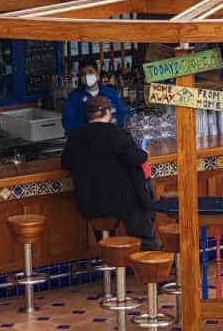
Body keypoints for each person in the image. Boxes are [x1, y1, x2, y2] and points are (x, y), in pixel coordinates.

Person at [62, 96, 157, 250]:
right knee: (142, 231)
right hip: (123, 201)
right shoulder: (117, 133)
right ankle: (147, 261)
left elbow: (65, 162)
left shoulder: (75, 137)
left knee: (107, 239)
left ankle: (110, 259)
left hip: (91, 203)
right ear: (108, 112)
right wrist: (145, 153)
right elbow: (135, 158)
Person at [62, 58, 127, 133]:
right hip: (85, 140)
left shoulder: (110, 93)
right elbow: (67, 123)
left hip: (109, 138)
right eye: (83, 74)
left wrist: (111, 123)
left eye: (90, 72)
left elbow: (122, 114)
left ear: (97, 73)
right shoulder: (73, 98)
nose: (86, 76)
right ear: (79, 76)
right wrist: (90, 128)